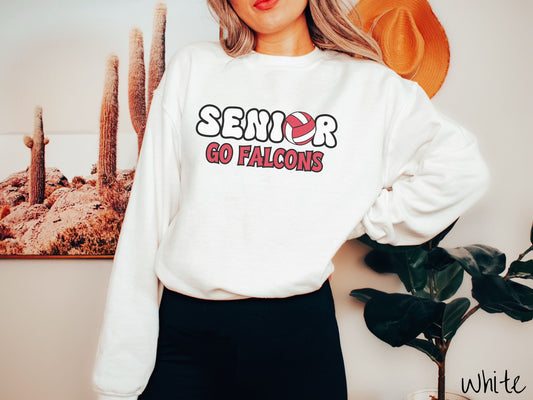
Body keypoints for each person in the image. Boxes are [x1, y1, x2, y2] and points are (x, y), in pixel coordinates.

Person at [92, 0, 490, 399]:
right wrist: (118, 376)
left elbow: (461, 171)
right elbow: (147, 221)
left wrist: (348, 218)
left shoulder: (368, 87)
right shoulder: (193, 69)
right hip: (186, 335)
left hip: (298, 336)